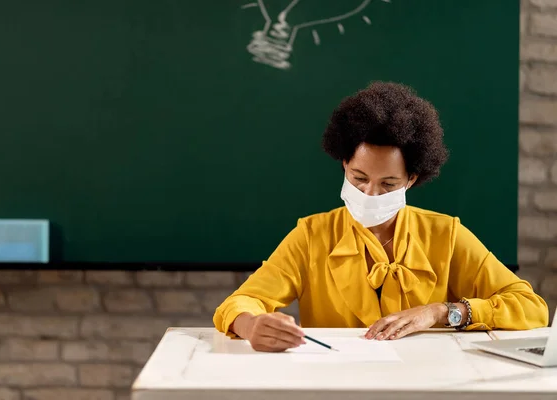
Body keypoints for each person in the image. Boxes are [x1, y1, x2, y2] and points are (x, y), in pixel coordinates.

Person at [213, 81, 549, 352]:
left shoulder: (445, 235)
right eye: (359, 178)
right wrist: (252, 325)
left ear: (412, 179)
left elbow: (530, 306)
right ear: (344, 163)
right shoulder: (312, 236)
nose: (370, 194)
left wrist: (440, 312)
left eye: (388, 184)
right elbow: (242, 301)